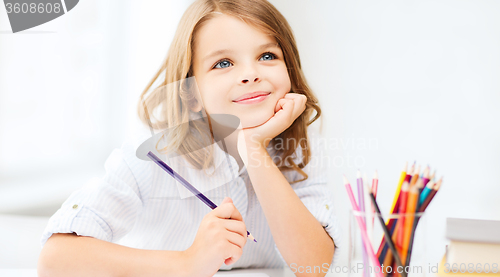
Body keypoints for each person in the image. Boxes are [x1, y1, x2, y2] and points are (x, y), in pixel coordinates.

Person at [37, 0, 341, 276]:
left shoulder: (300, 147)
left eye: (267, 55)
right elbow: (55, 259)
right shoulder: (151, 158)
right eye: (223, 63)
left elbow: (315, 266)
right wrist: (188, 261)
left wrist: (254, 148)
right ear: (191, 94)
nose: (250, 74)